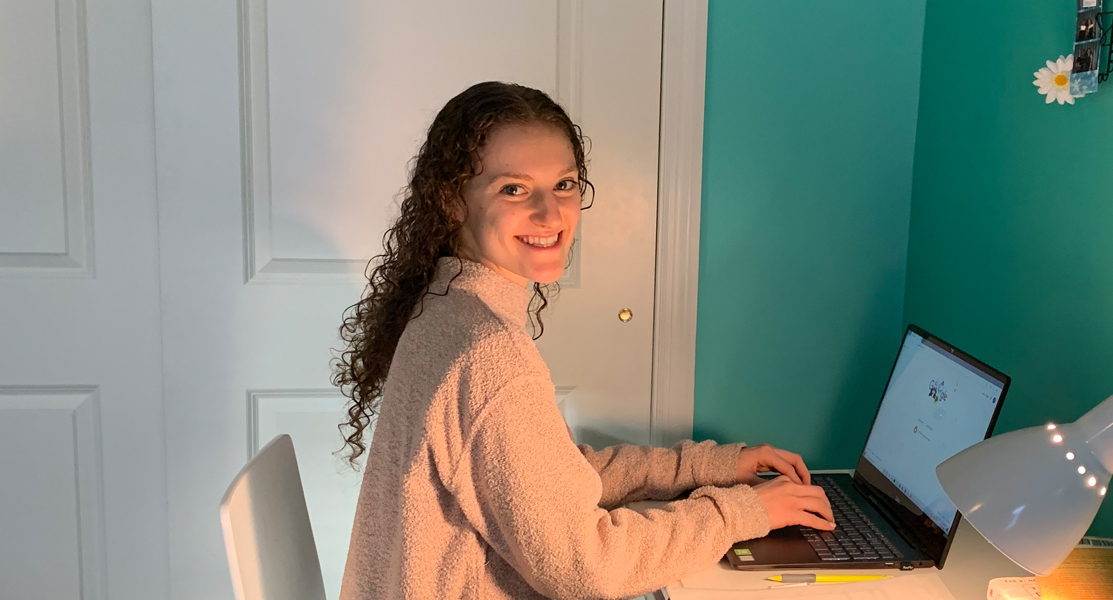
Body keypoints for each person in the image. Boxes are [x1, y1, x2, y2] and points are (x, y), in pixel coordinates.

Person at [333, 81, 835, 600]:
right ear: (451, 201)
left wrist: (711, 467)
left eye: (565, 184)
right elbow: (587, 567)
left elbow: (550, 477)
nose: (551, 215)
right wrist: (745, 511)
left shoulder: (445, 307)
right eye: (514, 189)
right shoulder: (487, 353)